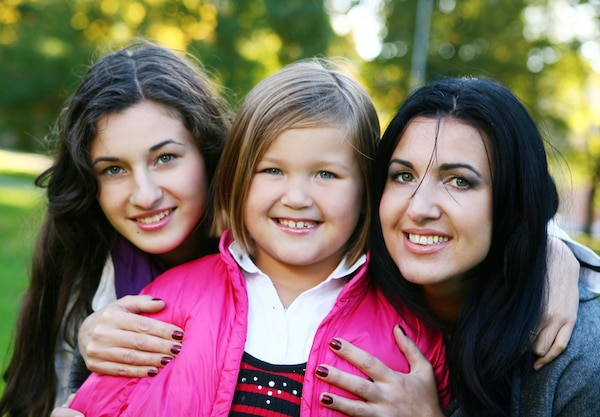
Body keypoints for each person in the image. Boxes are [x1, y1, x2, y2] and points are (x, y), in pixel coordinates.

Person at [66, 59, 451, 416]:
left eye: (326, 174)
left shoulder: (412, 337)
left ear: (367, 190)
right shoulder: (166, 301)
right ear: (237, 178)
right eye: (272, 170)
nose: (297, 198)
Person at [314, 77, 600, 416]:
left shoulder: (578, 354)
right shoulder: (334, 280)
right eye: (404, 176)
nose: (419, 209)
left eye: (459, 181)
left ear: (513, 202)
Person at [0, 40, 231, 417]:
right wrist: (82, 362)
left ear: (206, 151)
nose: (145, 195)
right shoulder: (81, 270)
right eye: (114, 169)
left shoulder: (277, 257)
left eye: (165, 158)